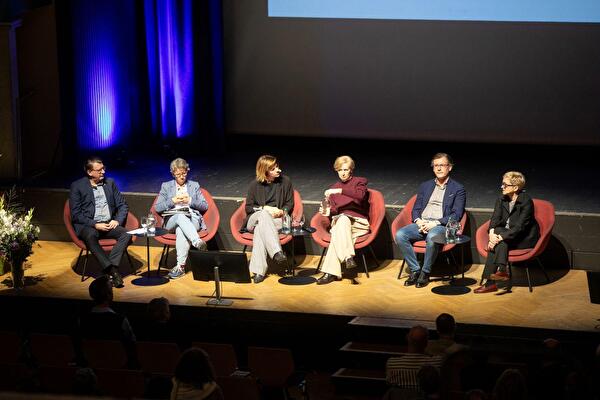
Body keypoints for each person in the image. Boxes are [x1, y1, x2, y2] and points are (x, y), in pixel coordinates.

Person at [395, 153, 466, 288]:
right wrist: (419, 221)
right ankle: (415, 270)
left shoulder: (458, 188)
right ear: (433, 168)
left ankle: (425, 272)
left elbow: (457, 214)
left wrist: (435, 223)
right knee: (400, 235)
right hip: (423, 222)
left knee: (433, 237)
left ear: (449, 168)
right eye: (436, 166)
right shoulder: (425, 186)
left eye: (442, 165)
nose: (439, 168)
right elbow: (415, 209)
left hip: (442, 225)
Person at [69, 156, 131, 288]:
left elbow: (123, 205)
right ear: (89, 172)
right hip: (89, 225)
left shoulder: (110, 183)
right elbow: (76, 215)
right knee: (91, 236)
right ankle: (113, 272)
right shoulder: (77, 186)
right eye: (99, 170)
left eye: (103, 169)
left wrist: (117, 220)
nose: (103, 172)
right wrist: (95, 224)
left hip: (108, 223)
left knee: (126, 233)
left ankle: (110, 267)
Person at [474, 171, 539, 294]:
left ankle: (490, 283)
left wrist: (498, 238)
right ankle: (502, 270)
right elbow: (494, 219)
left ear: (515, 187)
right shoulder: (501, 198)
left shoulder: (526, 201)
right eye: (502, 184)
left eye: (505, 185)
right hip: (505, 234)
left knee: (500, 242)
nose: (502, 187)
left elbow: (520, 227)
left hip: (523, 237)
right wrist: (492, 234)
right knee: (500, 239)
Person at [316, 155, 370, 285]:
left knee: (341, 225)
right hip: (342, 224)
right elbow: (334, 211)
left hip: (358, 223)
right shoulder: (332, 188)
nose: (343, 173)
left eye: (346, 170)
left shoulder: (360, 182)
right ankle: (348, 257)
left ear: (351, 170)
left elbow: (360, 196)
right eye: (340, 170)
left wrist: (340, 191)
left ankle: (330, 273)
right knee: (342, 220)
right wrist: (327, 211)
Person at [242, 155, 293, 283]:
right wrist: (266, 208)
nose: (278, 170)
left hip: (277, 220)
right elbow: (249, 208)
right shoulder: (254, 185)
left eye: (277, 167)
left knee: (261, 229)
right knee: (264, 215)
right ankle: (276, 252)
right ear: (265, 171)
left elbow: (290, 204)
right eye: (273, 168)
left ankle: (259, 271)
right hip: (255, 219)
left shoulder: (285, 181)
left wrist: (281, 211)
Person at [155, 158, 209, 280]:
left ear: (187, 171)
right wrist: (172, 201)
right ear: (173, 173)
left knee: (181, 229)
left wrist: (189, 200)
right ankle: (196, 241)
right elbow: (157, 208)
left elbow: (204, 205)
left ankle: (180, 267)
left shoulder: (194, 185)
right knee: (180, 216)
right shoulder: (166, 186)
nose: (182, 176)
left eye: (184, 173)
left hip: (192, 219)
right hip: (172, 220)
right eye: (178, 174)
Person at [74, 275, 137, 367]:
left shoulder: (81, 319)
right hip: (119, 365)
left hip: (91, 364)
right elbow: (132, 344)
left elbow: (78, 345)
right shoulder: (120, 320)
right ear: (109, 295)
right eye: (111, 290)